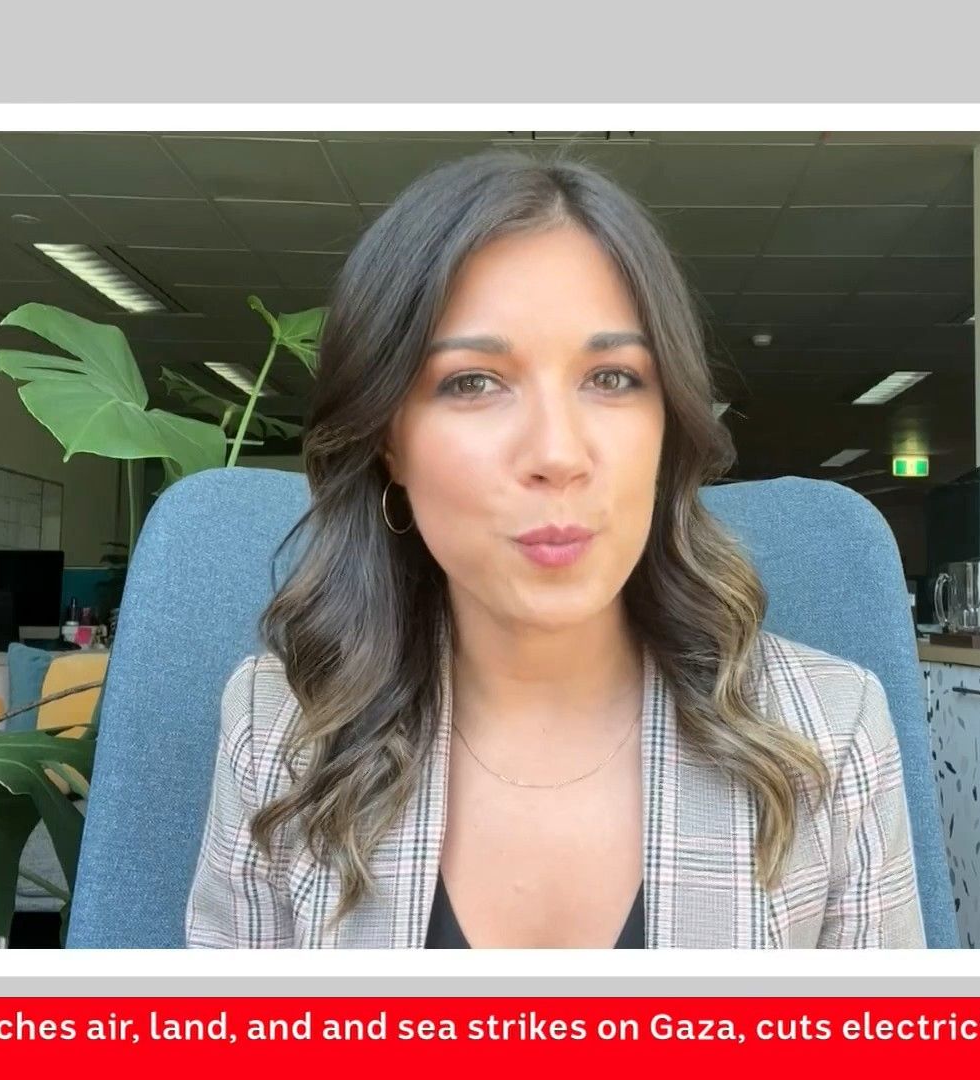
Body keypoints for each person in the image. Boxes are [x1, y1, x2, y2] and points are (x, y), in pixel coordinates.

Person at [184, 150, 924, 949]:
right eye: (473, 381)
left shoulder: (828, 729)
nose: (558, 453)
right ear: (388, 441)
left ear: (667, 424)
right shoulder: (282, 728)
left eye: (612, 378)